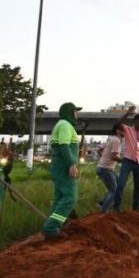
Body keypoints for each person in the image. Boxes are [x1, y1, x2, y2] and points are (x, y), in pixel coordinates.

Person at [41, 102, 82, 238]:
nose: (78, 114)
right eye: (76, 111)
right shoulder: (65, 125)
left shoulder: (62, 125)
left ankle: (54, 225)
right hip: (64, 167)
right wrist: (71, 164)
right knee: (70, 197)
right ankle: (51, 227)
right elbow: (64, 146)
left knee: (60, 198)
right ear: (69, 112)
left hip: (59, 167)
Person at [96, 123, 123, 213]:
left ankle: (102, 202)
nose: (126, 132)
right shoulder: (116, 141)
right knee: (114, 191)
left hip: (102, 167)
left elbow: (99, 150)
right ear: (118, 131)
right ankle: (103, 211)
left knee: (118, 185)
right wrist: (125, 161)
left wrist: (103, 158)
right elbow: (113, 156)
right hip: (105, 169)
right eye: (124, 130)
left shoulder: (110, 139)